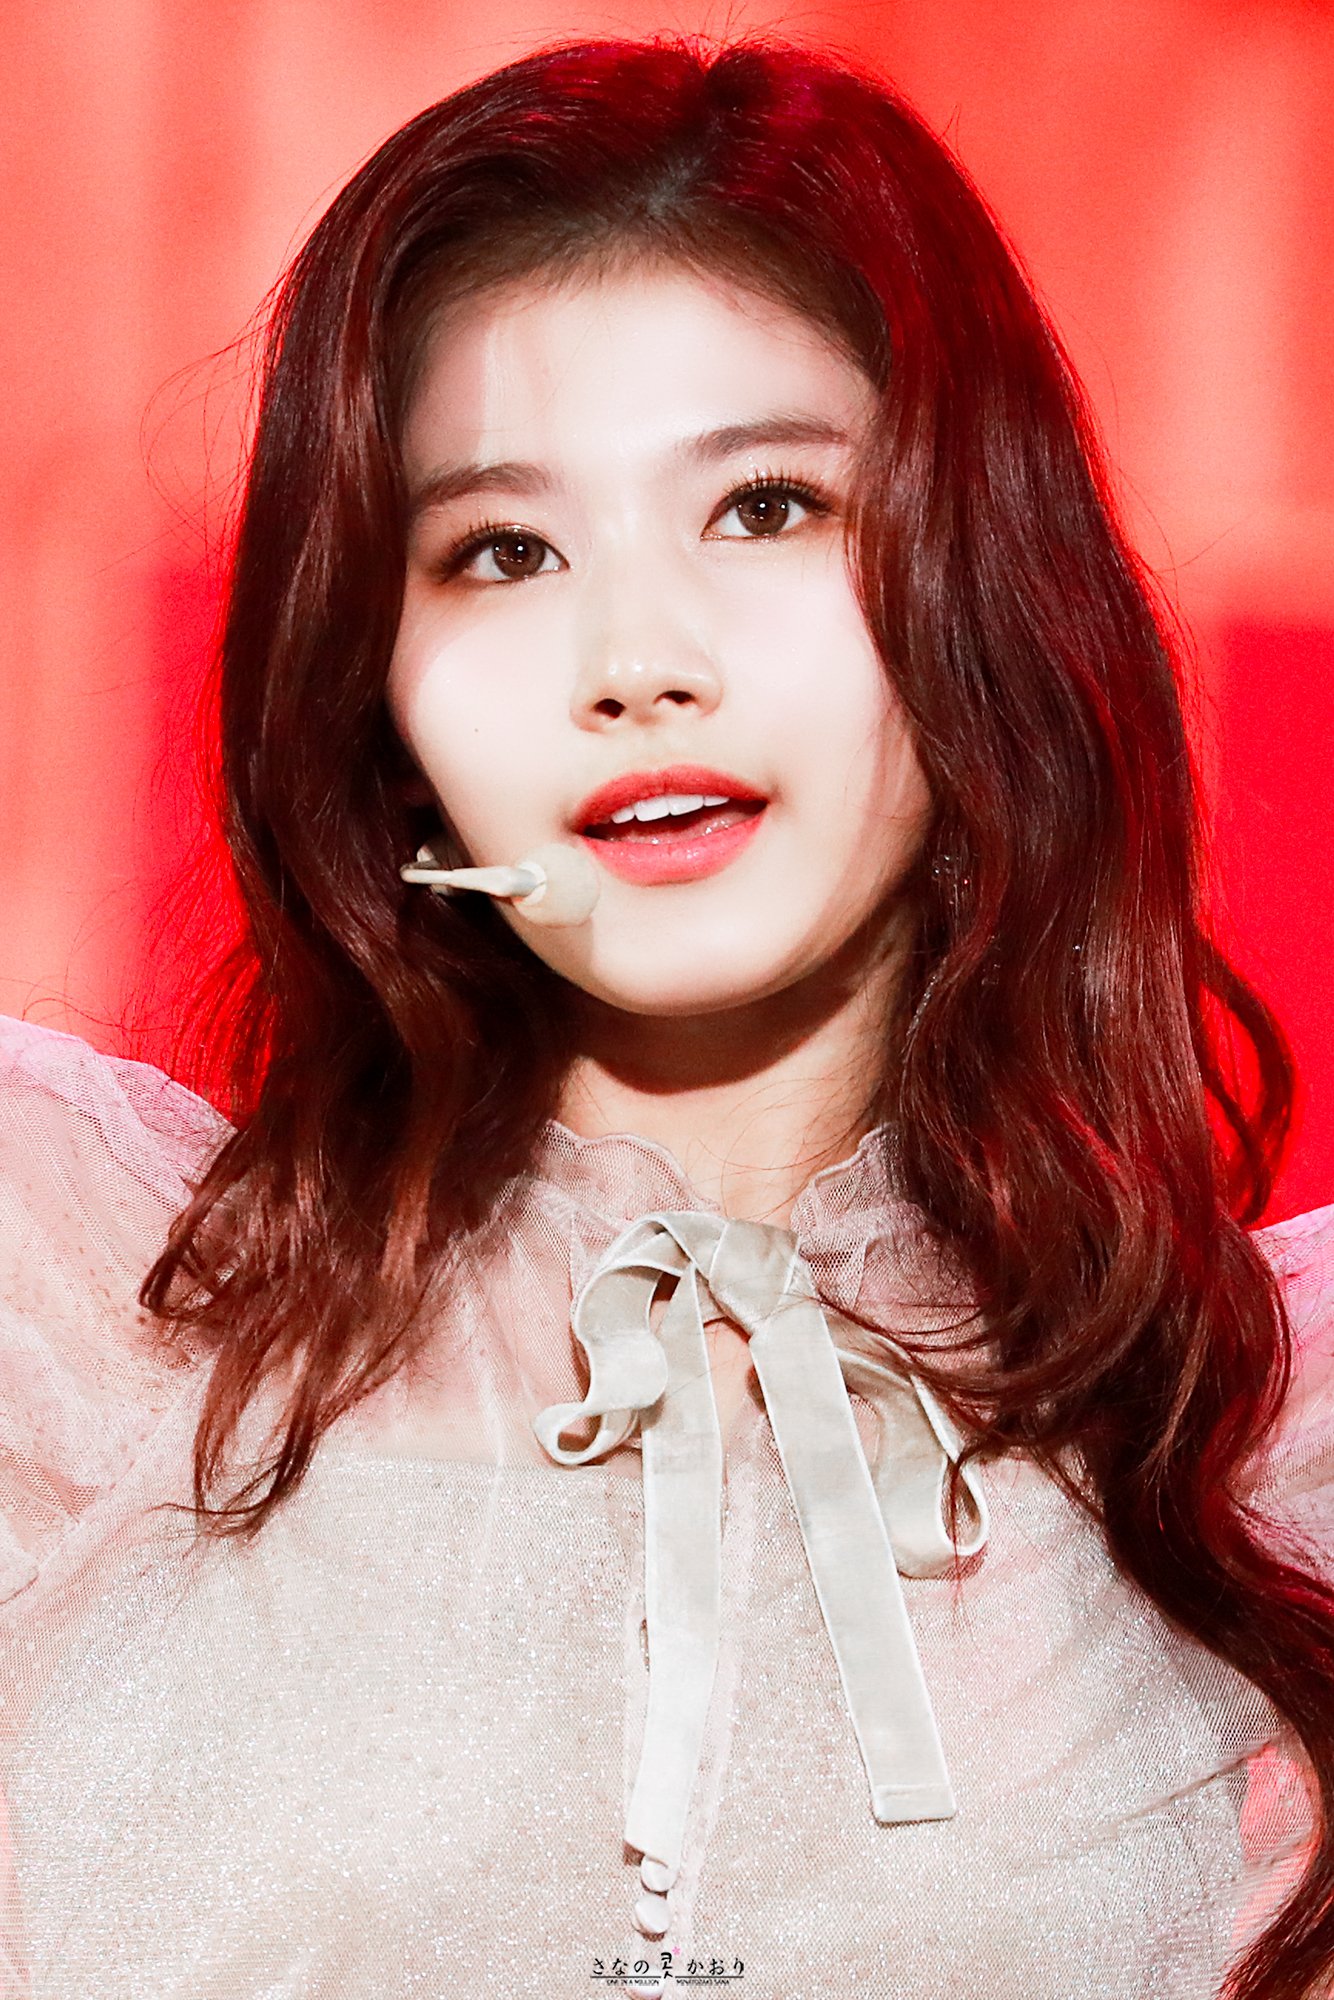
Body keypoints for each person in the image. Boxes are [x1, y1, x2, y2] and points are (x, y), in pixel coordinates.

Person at [1, 33, 1332, 2000]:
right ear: (382, 700)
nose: (634, 661)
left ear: (978, 577)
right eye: (502, 551)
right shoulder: (71, 1314)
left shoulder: (1250, 1464)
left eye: (767, 506)